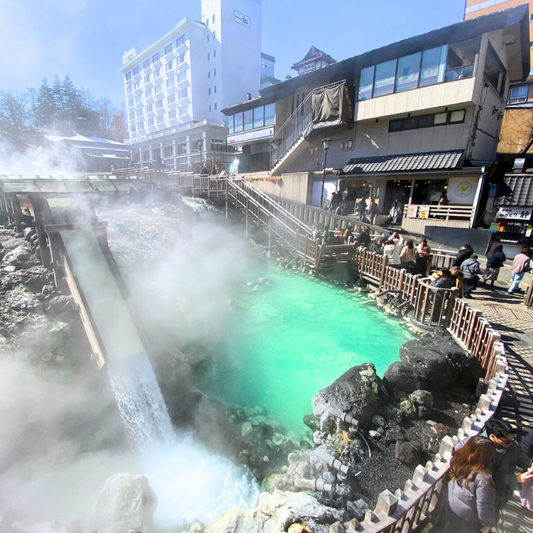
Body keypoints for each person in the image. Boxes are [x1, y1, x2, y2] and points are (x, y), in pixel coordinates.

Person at [443, 436, 498, 533]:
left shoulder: (458, 458)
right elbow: (484, 505)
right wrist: (487, 524)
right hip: (466, 515)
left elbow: (460, 444)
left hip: (451, 500)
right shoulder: (484, 477)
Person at [483, 419, 533, 512]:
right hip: (486, 495)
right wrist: (516, 479)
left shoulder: (512, 445)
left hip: (502, 493)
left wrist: (530, 463)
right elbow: (488, 477)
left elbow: (522, 457)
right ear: (493, 437)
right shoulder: (481, 451)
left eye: (512, 439)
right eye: (507, 441)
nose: (511, 443)